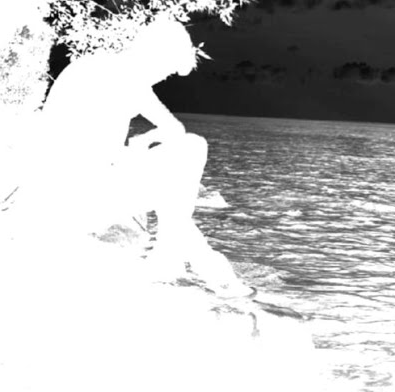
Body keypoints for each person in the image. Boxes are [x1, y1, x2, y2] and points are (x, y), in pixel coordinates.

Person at [31, 17, 249, 293]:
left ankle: (196, 266)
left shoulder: (101, 67)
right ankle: (177, 263)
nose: (161, 79)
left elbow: (172, 129)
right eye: (166, 72)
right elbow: (177, 134)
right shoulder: (125, 78)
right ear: (155, 54)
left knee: (175, 192)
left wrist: (141, 143)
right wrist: (140, 149)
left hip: (57, 192)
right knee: (193, 149)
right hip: (74, 198)